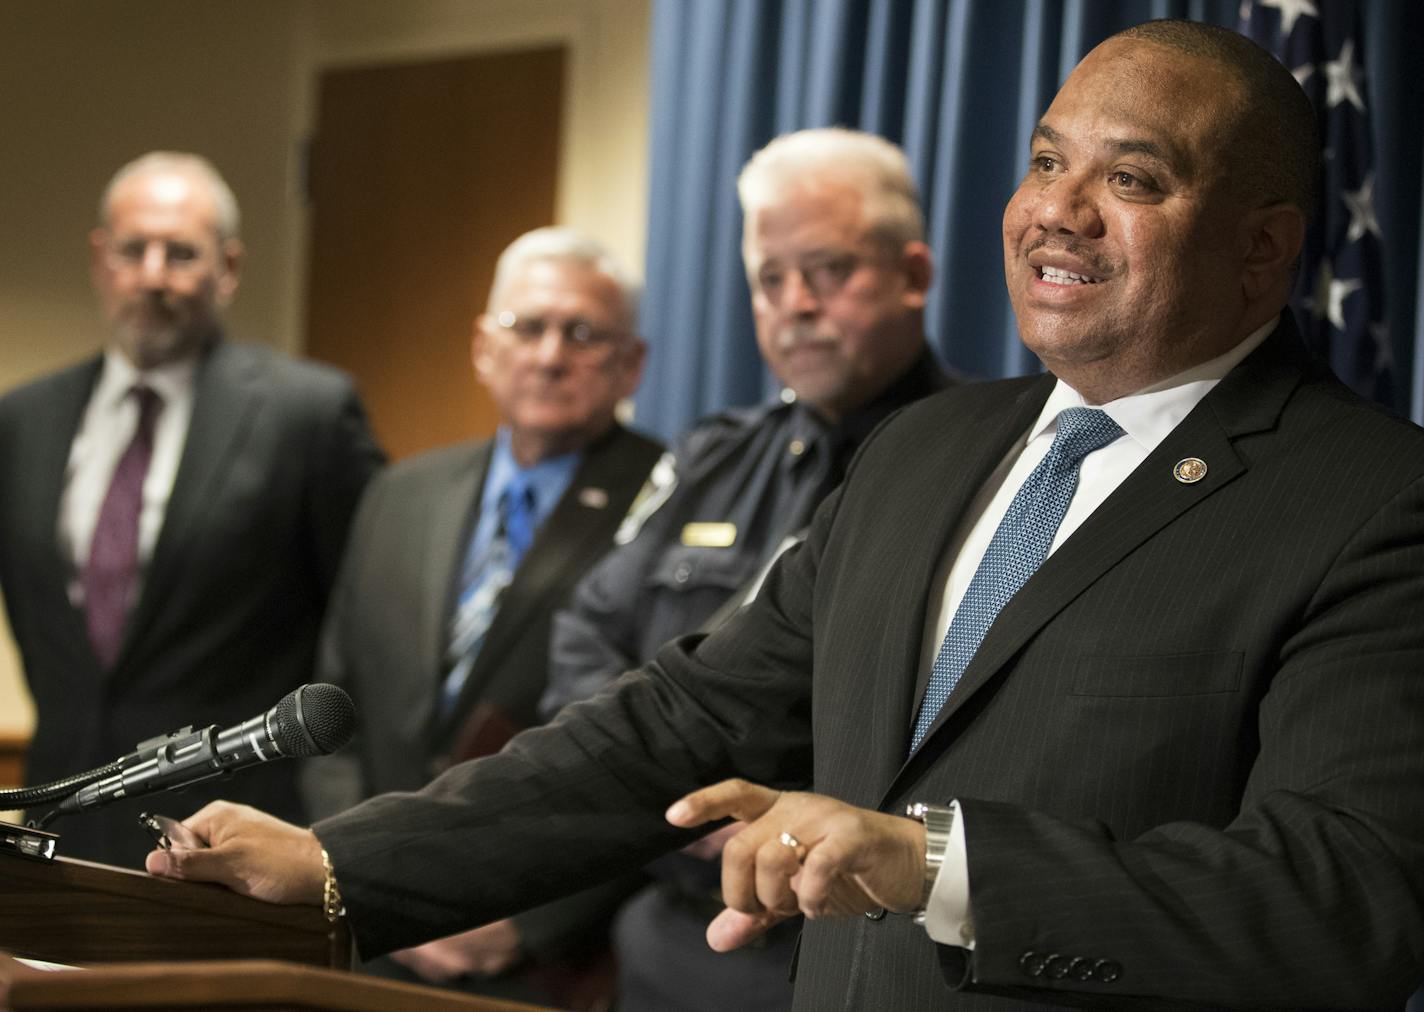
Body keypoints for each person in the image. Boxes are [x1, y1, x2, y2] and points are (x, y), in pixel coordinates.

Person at [147, 21, 1424, 1010]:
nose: (1056, 210)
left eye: (1130, 178)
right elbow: (675, 723)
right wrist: (337, 864)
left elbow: (1341, 901)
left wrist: (936, 863)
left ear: (1261, 249)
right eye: (1044, 160)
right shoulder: (926, 450)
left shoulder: (1369, 502)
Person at [538, 127, 951, 1011]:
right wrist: (676, 791)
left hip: (863, 949)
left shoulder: (984, 464)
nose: (795, 303)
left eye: (828, 269)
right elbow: (588, 637)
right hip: (672, 931)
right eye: (771, 277)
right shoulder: (714, 458)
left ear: (912, 275)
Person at [299, 226, 661, 1005]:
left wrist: (531, 925)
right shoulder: (401, 493)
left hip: (544, 953)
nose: (549, 355)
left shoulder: (669, 499)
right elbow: (332, 716)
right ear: (483, 347)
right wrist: (352, 875)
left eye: (583, 333)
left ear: (632, 362)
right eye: (526, 327)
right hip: (367, 927)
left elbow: (670, 746)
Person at [0, 152, 384, 868]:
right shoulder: (24, 419)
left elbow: (366, 634)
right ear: (100, 258)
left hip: (234, 832)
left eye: (181, 254)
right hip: (60, 819)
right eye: (133, 249)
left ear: (228, 268)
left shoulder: (308, 415)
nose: (153, 275)